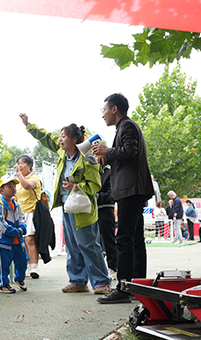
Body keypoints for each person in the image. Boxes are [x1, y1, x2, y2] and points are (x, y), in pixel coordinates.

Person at [22, 114, 111, 295]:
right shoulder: (63, 152)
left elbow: (95, 185)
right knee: (72, 245)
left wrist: (75, 186)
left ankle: (102, 282)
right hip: (67, 206)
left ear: (75, 139)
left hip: (84, 209)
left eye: (64, 136)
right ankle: (77, 281)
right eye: (60, 136)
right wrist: (29, 125)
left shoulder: (87, 157)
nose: (60, 139)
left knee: (89, 245)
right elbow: (47, 138)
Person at [91, 93, 155, 304]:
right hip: (133, 190)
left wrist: (107, 152)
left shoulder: (127, 126)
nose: (103, 115)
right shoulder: (126, 127)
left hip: (130, 190)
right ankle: (137, 286)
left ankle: (124, 288)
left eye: (104, 110)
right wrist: (107, 156)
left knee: (125, 240)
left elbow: (129, 150)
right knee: (135, 240)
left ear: (114, 109)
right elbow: (127, 154)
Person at [0, 176, 27, 294]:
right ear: (2, 190)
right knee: (4, 265)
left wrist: (22, 229)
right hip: (4, 241)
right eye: (10, 186)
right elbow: (0, 223)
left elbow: (22, 219)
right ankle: (4, 284)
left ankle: (19, 279)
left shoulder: (17, 205)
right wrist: (15, 231)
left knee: (23, 261)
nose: (13, 188)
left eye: (14, 186)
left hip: (18, 241)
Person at [13, 155, 42, 279]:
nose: (20, 166)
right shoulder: (18, 181)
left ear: (30, 165)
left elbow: (27, 186)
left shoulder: (34, 178)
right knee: (23, 241)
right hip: (20, 213)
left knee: (30, 239)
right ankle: (27, 266)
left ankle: (34, 267)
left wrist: (18, 174)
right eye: (18, 163)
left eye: (23, 163)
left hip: (32, 211)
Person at [97, 164, 118, 279]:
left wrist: (97, 196)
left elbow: (112, 195)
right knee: (94, 241)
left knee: (109, 240)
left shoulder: (110, 173)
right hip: (92, 211)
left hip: (106, 209)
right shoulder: (91, 171)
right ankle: (98, 270)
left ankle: (113, 267)